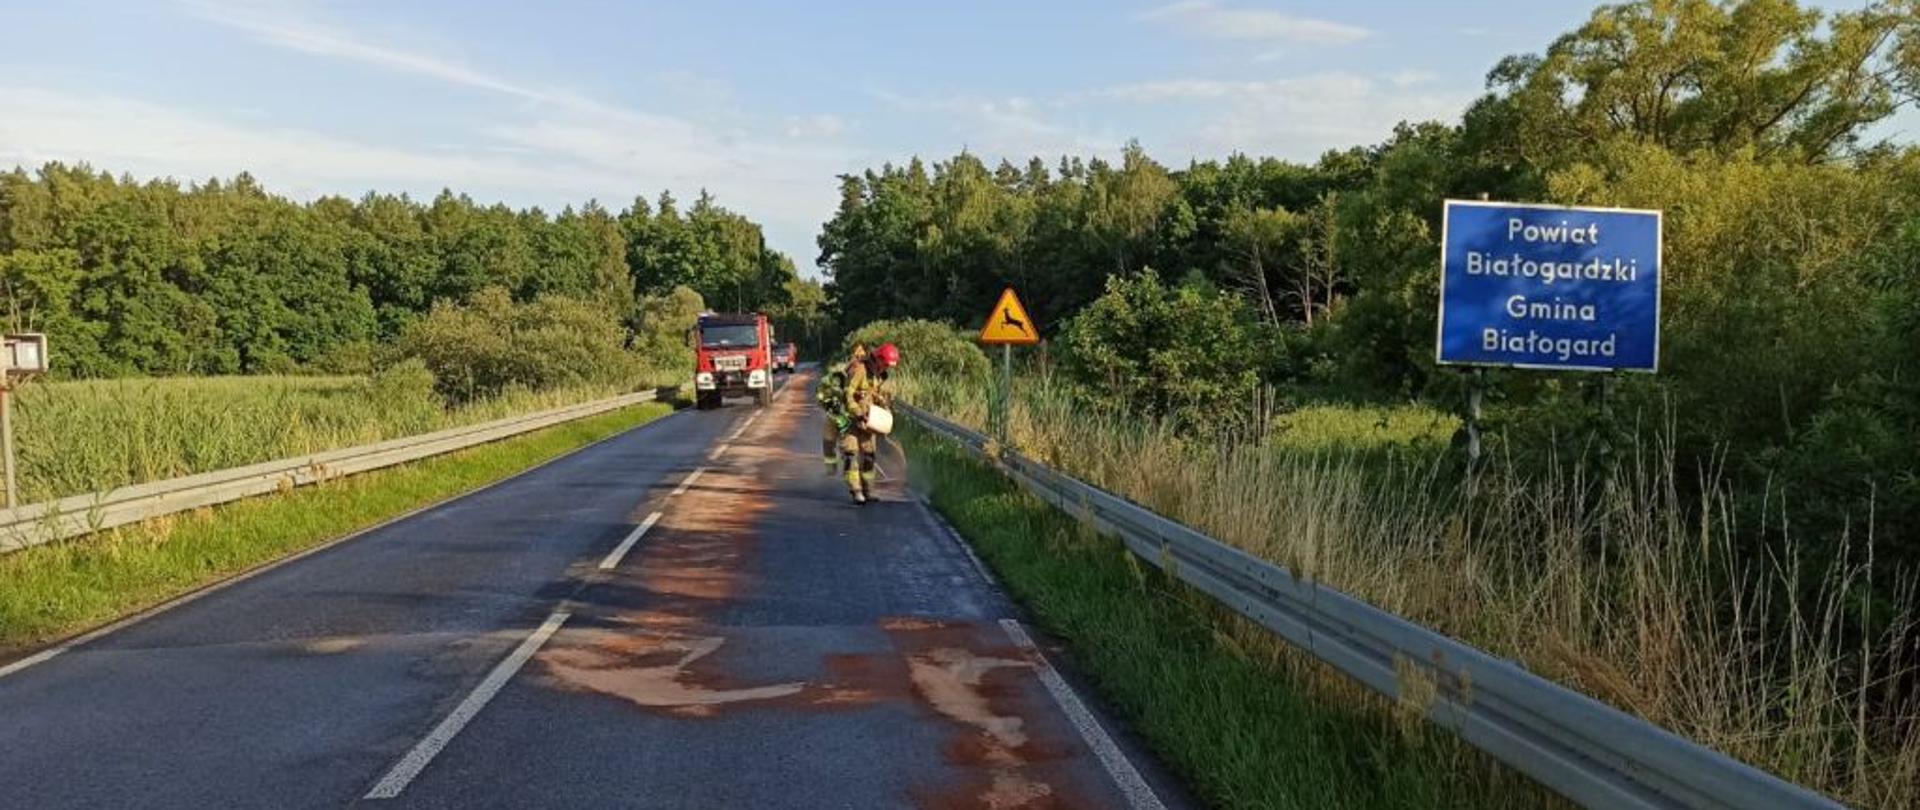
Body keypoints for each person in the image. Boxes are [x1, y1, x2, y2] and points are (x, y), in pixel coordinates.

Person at [822, 342, 899, 504]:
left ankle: (868, 490)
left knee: (869, 456)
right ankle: (856, 490)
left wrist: (884, 405)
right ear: (878, 359)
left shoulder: (878, 373)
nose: (886, 368)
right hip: (850, 420)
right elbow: (848, 394)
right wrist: (857, 412)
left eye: (888, 366)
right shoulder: (860, 370)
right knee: (851, 454)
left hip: (867, 421)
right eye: (885, 364)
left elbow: (873, 394)